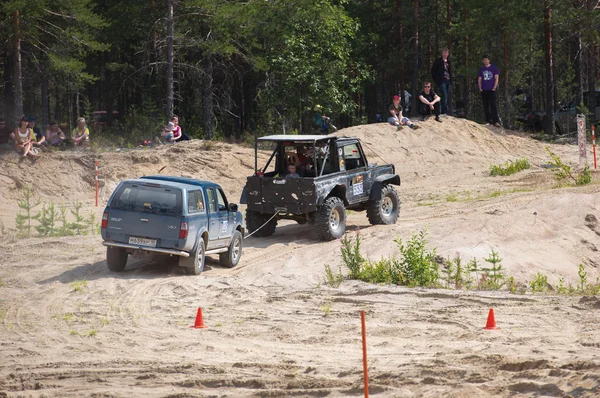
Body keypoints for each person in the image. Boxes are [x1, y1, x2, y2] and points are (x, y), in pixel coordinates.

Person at [478, 55, 501, 127]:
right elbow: (479, 79)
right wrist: (480, 88)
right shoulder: (481, 69)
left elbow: (496, 78)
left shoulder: (494, 68)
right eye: (484, 60)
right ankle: (488, 120)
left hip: (491, 89)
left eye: (486, 60)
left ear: (489, 60)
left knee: (493, 105)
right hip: (484, 89)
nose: (485, 61)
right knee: (486, 106)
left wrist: (494, 87)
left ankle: (496, 121)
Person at [431, 48, 452, 115]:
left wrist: (451, 80)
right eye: (444, 53)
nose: (445, 54)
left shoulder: (449, 61)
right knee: (444, 95)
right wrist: (437, 80)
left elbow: (450, 72)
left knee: (446, 96)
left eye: (446, 53)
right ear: (442, 53)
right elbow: (433, 71)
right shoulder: (438, 61)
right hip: (441, 81)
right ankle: (443, 111)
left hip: (448, 80)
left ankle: (444, 110)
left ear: (448, 54)